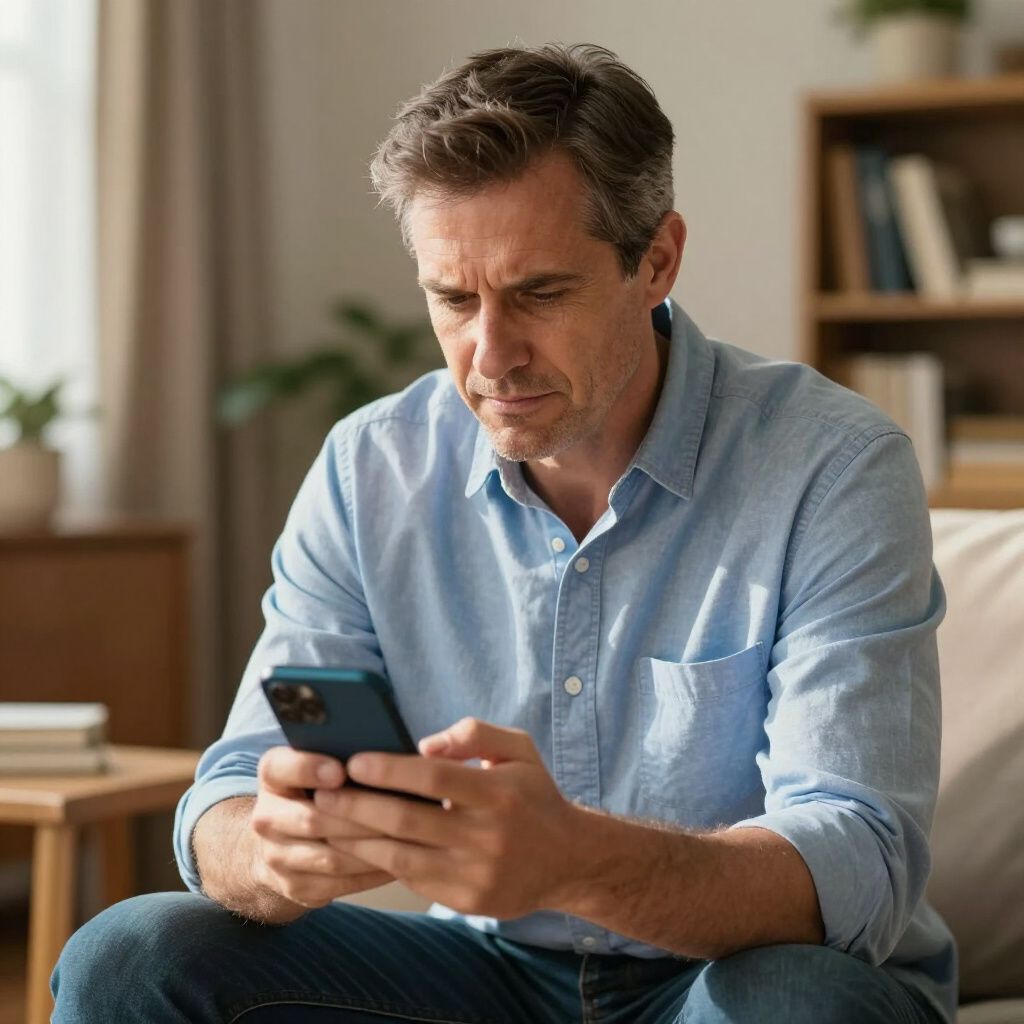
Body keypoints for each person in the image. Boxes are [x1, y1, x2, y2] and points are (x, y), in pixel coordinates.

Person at [52, 43, 956, 1024]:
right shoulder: (371, 468)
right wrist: (265, 846)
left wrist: (573, 859)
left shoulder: (831, 466)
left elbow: (859, 856)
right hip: (483, 975)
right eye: (452, 298)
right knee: (129, 957)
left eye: (538, 293)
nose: (490, 355)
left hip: (731, 971)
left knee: (799, 1004)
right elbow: (228, 787)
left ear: (655, 260)